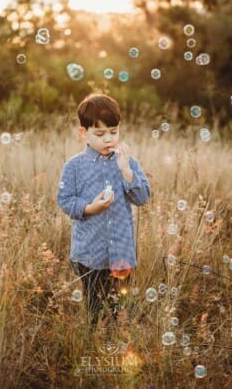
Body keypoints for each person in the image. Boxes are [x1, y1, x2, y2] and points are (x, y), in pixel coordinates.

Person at [57, 93, 151, 335]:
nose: (108, 139)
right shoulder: (74, 166)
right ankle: (92, 343)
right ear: (83, 133)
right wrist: (90, 208)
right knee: (94, 306)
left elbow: (142, 198)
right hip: (89, 253)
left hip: (121, 251)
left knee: (119, 305)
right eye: (100, 134)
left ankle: (116, 342)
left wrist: (126, 171)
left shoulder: (128, 162)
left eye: (114, 131)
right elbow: (65, 200)